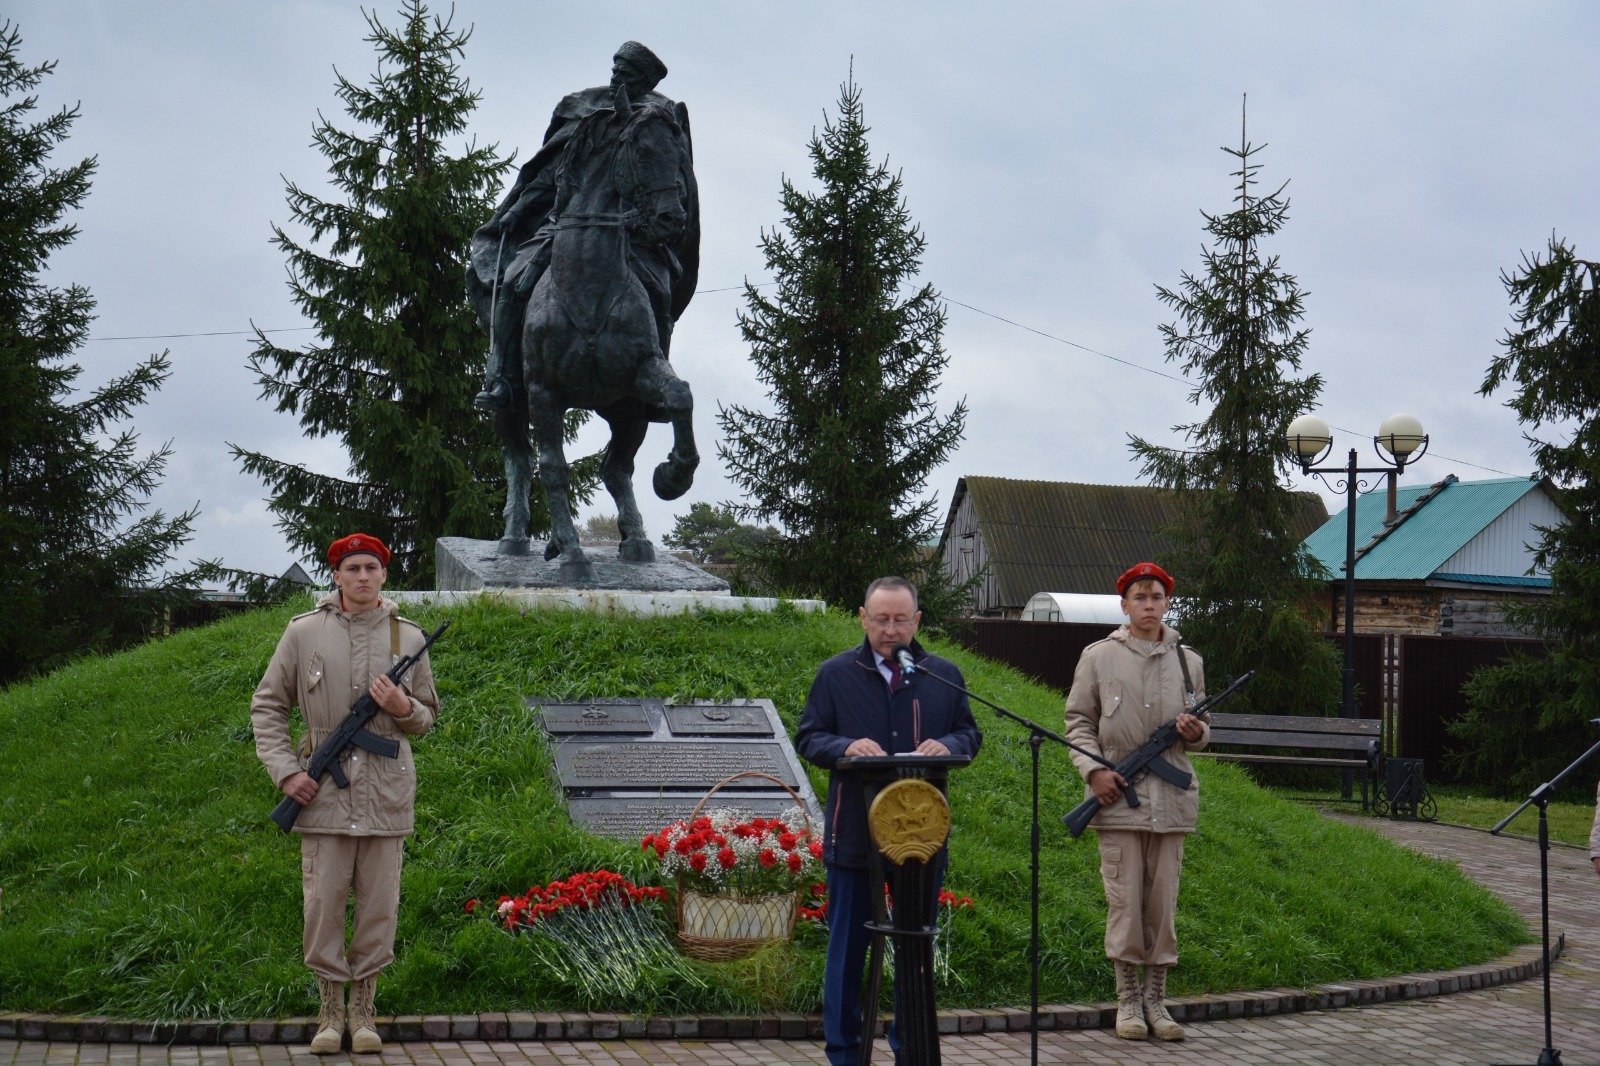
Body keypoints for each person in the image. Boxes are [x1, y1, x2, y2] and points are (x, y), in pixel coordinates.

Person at [251, 533, 439, 1055]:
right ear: (335, 575)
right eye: (352, 568)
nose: (361, 577)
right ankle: (329, 1015)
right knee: (324, 906)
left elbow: (426, 717)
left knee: (380, 908)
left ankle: (364, 1014)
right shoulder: (303, 633)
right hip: (322, 796)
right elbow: (267, 706)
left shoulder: (406, 636)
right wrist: (287, 773)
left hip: (386, 796)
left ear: (383, 576)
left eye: (371, 568)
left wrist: (402, 707)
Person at [796, 576, 983, 1066]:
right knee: (847, 951)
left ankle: (912, 1049)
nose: (891, 629)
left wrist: (951, 746)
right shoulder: (835, 675)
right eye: (881, 619)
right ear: (862, 617)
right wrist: (844, 747)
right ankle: (844, 1053)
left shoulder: (942, 675)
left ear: (917, 621)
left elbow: (969, 732)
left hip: (920, 837)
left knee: (915, 948)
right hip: (855, 833)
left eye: (901, 620)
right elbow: (810, 737)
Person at [466, 40, 698, 411]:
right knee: (512, 282)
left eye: (626, 73)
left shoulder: (659, 119)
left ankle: (650, 387)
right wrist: (520, 207)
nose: (616, 77)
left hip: (634, 234)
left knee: (661, 292)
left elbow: (673, 180)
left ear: (643, 81)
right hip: (564, 225)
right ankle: (503, 376)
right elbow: (548, 173)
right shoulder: (584, 111)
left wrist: (648, 217)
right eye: (615, 69)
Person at [1063, 562, 1208, 1042]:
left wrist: (1196, 732)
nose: (1149, 605)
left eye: (1157, 597)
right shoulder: (1098, 657)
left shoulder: (1189, 661)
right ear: (1124, 604)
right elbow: (1079, 722)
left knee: (1161, 906)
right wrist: (1095, 771)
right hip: (1117, 797)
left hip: (1172, 800)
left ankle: (1157, 1002)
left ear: (1167, 603)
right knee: (1125, 904)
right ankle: (1127, 1001)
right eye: (1140, 597)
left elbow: (1202, 732)